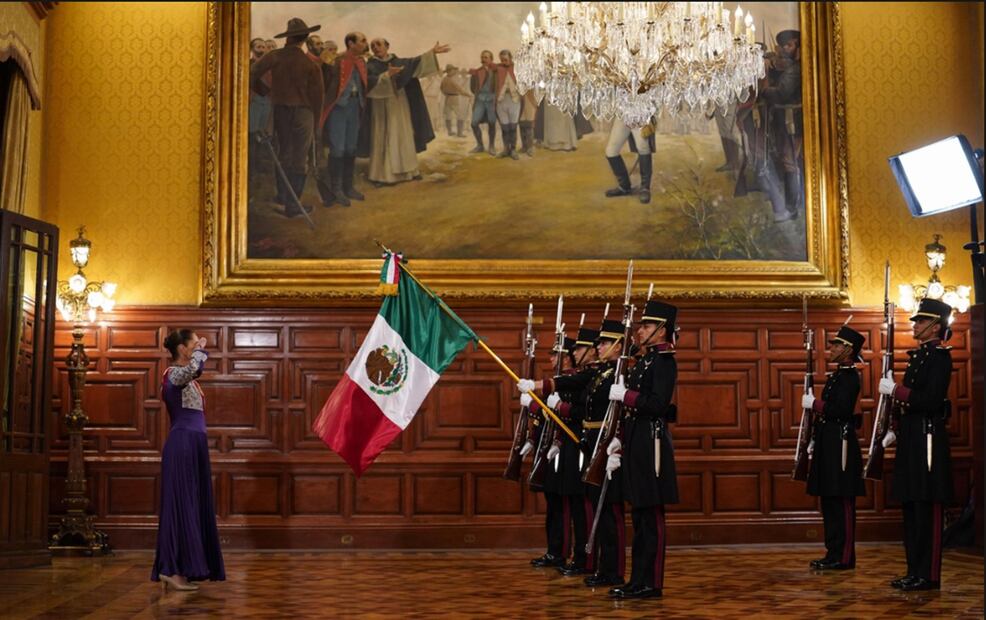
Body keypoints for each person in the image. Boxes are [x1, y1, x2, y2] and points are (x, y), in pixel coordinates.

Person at [521, 317, 627, 589]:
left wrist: (548, 395)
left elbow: (613, 413)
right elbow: (576, 390)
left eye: (603, 343)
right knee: (589, 506)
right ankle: (600, 567)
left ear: (617, 345)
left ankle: (604, 566)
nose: (597, 347)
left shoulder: (617, 373)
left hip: (603, 443)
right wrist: (538, 391)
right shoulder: (600, 374)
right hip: (589, 442)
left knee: (599, 509)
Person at [879, 298, 954, 591]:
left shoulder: (939, 358)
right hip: (912, 437)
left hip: (928, 438)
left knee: (927, 507)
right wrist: (895, 428)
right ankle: (914, 570)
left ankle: (929, 574)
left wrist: (897, 390)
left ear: (935, 326)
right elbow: (911, 404)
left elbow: (931, 400)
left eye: (921, 321)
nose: (916, 324)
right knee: (911, 507)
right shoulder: (919, 356)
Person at [607, 301, 679, 600]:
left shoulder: (664, 362)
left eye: (646, 326)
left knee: (651, 515)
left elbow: (659, 405)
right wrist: (620, 439)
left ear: (661, 330)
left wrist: (628, 396)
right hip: (637, 440)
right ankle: (637, 579)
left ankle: (652, 582)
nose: (640, 330)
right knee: (638, 514)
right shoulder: (645, 362)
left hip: (653, 443)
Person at [152, 329, 225, 591]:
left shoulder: (188, 380)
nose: (199, 346)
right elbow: (195, 368)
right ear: (182, 349)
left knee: (192, 505)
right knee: (180, 505)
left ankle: (187, 567)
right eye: (193, 343)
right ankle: (171, 569)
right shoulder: (173, 374)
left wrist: (199, 349)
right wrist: (200, 352)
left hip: (194, 446)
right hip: (182, 445)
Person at [802, 324, 866, 571]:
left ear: (849, 350)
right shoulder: (838, 375)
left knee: (842, 501)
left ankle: (845, 556)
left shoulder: (850, 377)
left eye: (838, 345)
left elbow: (840, 410)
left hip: (841, 442)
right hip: (829, 441)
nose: (833, 349)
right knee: (829, 499)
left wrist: (815, 404)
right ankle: (833, 551)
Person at [249, 18, 324, 218]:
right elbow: (318, 98)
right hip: (303, 114)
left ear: (288, 38)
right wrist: (316, 123)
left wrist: (264, 91)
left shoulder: (275, 56)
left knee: (284, 154)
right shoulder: (310, 64)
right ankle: (292, 205)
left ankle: (283, 197)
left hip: (281, 111)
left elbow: (250, 73)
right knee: (299, 159)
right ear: (304, 39)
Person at [519, 336, 577, 569]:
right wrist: (531, 439)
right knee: (552, 501)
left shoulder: (571, 381)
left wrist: (534, 405)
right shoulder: (557, 381)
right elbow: (543, 418)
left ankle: (561, 551)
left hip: (563, 447)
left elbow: (562, 416)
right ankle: (554, 550)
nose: (552, 358)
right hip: (548, 447)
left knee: (561, 504)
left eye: (556, 354)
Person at [358, 38, 448, 185]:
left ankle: (409, 171)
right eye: (373, 46)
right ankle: (383, 176)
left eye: (379, 44)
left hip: (400, 104)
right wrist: (386, 76)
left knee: (403, 134)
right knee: (383, 134)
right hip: (380, 106)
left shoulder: (400, 62)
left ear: (387, 46)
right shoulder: (370, 65)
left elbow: (417, 63)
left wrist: (432, 53)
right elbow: (367, 83)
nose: (375, 48)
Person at [322, 31, 377, 206]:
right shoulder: (337, 60)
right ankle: (336, 189)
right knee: (337, 149)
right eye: (362, 40)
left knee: (351, 148)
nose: (365, 43)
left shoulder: (361, 61)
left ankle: (348, 187)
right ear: (351, 44)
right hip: (338, 108)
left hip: (355, 107)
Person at [760, 30, 804, 222]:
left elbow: (781, 93)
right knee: (788, 163)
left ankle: (791, 208)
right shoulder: (790, 67)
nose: (785, 49)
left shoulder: (795, 69)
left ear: (797, 46)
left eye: (789, 45)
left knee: (790, 164)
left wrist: (765, 90)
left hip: (791, 121)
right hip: (785, 121)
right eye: (783, 46)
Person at [603, 118, 655, 204]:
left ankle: (645, 188)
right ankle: (624, 187)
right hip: (622, 113)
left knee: (643, 147)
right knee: (611, 151)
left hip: (640, 113)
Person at [468, 50, 498, 155]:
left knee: (492, 122)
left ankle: (491, 146)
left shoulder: (496, 71)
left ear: (491, 59)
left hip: (492, 100)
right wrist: (479, 94)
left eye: (486, 57)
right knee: (474, 123)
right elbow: (472, 87)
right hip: (480, 99)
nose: (483, 59)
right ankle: (480, 145)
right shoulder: (477, 72)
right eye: (482, 57)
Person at [494, 49, 521, 159]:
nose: (504, 61)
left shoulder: (518, 69)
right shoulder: (498, 70)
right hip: (501, 100)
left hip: (514, 100)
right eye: (502, 60)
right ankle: (506, 149)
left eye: (505, 59)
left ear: (510, 58)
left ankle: (513, 150)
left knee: (513, 127)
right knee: (504, 127)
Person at [440, 65, 471, 137]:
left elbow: (441, 89)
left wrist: (446, 94)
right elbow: (460, 90)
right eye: (453, 70)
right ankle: (459, 133)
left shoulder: (444, 79)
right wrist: (469, 95)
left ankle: (449, 131)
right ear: (450, 71)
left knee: (448, 115)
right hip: (454, 99)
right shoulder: (451, 80)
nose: (454, 72)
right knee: (460, 115)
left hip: (447, 98)